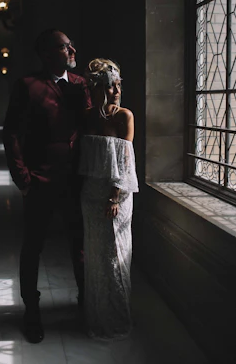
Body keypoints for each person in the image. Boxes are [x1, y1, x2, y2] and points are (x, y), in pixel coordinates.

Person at [2, 28, 91, 344]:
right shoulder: (28, 86)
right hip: (39, 180)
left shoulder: (82, 84)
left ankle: (86, 304)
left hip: (76, 180)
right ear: (46, 53)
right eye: (66, 46)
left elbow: (92, 128)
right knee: (33, 247)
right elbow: (11, 133)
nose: (72, 49)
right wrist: (22, 179)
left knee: (80, 246)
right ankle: (32, 311)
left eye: (70, 44)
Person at [78, 58, 139, 340]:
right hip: (91, 195)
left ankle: (116, 317)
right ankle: (96, 315)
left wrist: (114, 197)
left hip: (117, 195)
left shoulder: (124, 116)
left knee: (116, 256)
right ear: (97, 88)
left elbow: (125, 163)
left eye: (118, 85)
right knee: (95, 257)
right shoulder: (88, 116)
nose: (116, 90)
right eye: (109, 86)